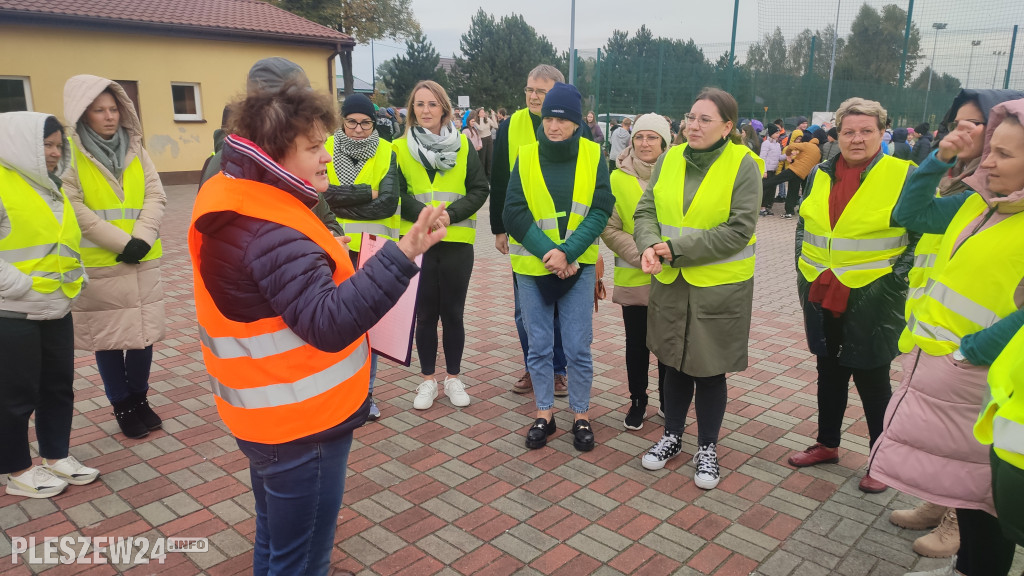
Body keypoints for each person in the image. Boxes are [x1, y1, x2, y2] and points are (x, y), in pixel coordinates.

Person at [190, 78, 446, 576]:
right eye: (314, 147)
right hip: (299, 426)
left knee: (276, 544)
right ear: (274, 154)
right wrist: (403, 256)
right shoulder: (270, 230)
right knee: (303, 558)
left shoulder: (243, 198)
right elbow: (327, 323)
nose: (328, 155)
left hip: (267, 416)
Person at [870, 98, 1024, 576]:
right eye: (989, 149)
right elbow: (911, 213)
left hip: (984, 380)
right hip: (951, 375)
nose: (989, 161)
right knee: (969, 490)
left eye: (1004, 153)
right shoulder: (981, 203)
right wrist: (938, 159)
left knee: (985, 504)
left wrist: (974, 349)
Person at [787, 97, 916, 494]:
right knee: (829, 371)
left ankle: (884, 460)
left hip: (875, 296)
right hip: (821, 289)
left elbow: (920, 239)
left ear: (882, 133)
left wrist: (894, 283)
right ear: (837, 135)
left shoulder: (904, 174)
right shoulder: (821, 172)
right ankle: (828, 444)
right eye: (849, 132)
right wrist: (802, 270)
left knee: (873, 378)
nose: (856, 139)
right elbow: (805, 226)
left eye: (866, 131)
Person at [633, 88, 760, 490]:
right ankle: (672, 435)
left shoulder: (744, 164)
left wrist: (673, 248)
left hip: (718, 287)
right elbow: (646, 209)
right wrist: (649, 245)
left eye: (706, 119)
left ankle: (707, 447)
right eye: (691, 116)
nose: (694, 125)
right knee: (672, 361)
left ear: (727, 126)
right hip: (672, 282)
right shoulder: (670, 157)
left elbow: (738, 230)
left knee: (708, 368)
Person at [503, 82, 612, 452]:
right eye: (549, 117)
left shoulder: (595, 155)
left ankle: (580, 414)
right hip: (534, 269)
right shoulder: (527, 154)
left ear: (577, 123)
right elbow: (513, 211)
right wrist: (550, 252)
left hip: (576, 268)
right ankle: (544, 414)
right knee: (539, 346)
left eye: (562, 120)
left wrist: (569, 253)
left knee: (579, 346)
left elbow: (600, 209)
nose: (553, 126)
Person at [62, 75, 167, 440]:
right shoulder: (69, 155)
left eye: (113, 109)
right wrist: (122, 243)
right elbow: (73, 207)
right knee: (109, 339)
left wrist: (140, 238)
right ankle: (121, 403)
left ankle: (140, 397)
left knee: (144, 335)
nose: (109, 117)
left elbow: (155, 195)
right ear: (82, 114)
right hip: (103, 262)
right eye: (99, 110)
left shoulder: (136, 149)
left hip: (141, 258)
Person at [0, 112, 99, 498]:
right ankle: (18, 471)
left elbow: (62, 243)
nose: (55, 152)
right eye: (47, 144)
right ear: (22, 144)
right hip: (12, 311)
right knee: (14, 396)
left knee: (58, 387)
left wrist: (79, 275)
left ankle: (56, 457)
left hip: (56, 307)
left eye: (59, 145)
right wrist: (20, 285)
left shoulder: (51, 188)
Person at [396, 80, 489, 411]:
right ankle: (427, 380)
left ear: (444, 109)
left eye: (432, 104)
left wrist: (449, 216)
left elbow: (479, 189)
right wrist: (425, 216)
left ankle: (452, 377)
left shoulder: (464, 146)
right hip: (418, 244)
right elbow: (396, 193)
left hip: (456, 242)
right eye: (419, 104)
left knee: (453, 313)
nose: (425, 110)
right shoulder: (399, 148)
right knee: (424, 315)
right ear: (412, 110)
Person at [322, 92, 402, 422]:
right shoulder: (324, 148)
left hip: (372, 249)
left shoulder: (387, 151)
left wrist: (337, 201)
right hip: (333, 249)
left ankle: (366, 396)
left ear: (374, 123)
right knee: (332, 321)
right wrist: (363, 192)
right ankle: (335, 394)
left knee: (368, 328)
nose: (359, 129)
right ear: (342, 122)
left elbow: (386, 202)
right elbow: (318, 195)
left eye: (366, 123)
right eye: (352, 122)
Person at [491, 64, 571, 396]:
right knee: (524, 310)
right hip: (523, 233)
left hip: (564, 236)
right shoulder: (510, 126)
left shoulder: (572, 125)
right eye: (529, 90)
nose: (533, 96)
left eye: (542, 91)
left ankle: (557, 370)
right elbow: (499, 177)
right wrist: (498, 227)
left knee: (559, 309)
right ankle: (531, 366)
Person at [202, 58, 343, 236]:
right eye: (290, 107)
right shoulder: (227, 169)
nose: (326, 157)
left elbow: (326, 216)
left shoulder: (293, 170)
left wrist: (330, 238)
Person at [601, 113, 669, 430]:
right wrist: (642, 251)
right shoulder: (617, 179)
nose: (644, 143)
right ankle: (638, 401)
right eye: (639, 136)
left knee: (670, 344)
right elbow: (610, 228)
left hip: (672, 276)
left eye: (652, 137)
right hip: (635, 277)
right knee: (637, 346)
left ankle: (669, 399)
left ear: (665, 142)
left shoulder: (678, 175)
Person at [761, 128, 819, 219]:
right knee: (793, 191)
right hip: (802, 175)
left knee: (774, 180)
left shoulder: (807, 145)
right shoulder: (818, 151)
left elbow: (791, 147)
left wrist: (788, 154)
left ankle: (758, 188)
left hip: (794, 169)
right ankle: (789, 212)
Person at [759, 125, 784, 215]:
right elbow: (762, 158)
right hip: (767, 171)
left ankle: (767, 206)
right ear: (771, 134)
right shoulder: (766, 143)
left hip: (774, 171)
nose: (778, 135)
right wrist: (764, 171)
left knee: (771, 190)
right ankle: (761, 208)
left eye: (779, 133)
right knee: (765, 189)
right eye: (776, 133)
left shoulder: (777, 144)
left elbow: (778, 157)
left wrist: (786, 157)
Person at [474, 108, 496, 179]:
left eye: (483, 112)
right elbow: (481, 128)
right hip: (482, 139)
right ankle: (482, 175)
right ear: (478, 114)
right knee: (482, 158)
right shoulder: (476, 121)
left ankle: (489, 174)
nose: (483, 114)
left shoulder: (487, 119)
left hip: (489, 138)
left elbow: (496, 126)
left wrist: (493, 115)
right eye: (481, 112)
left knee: (489, 157)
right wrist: (480, 118)